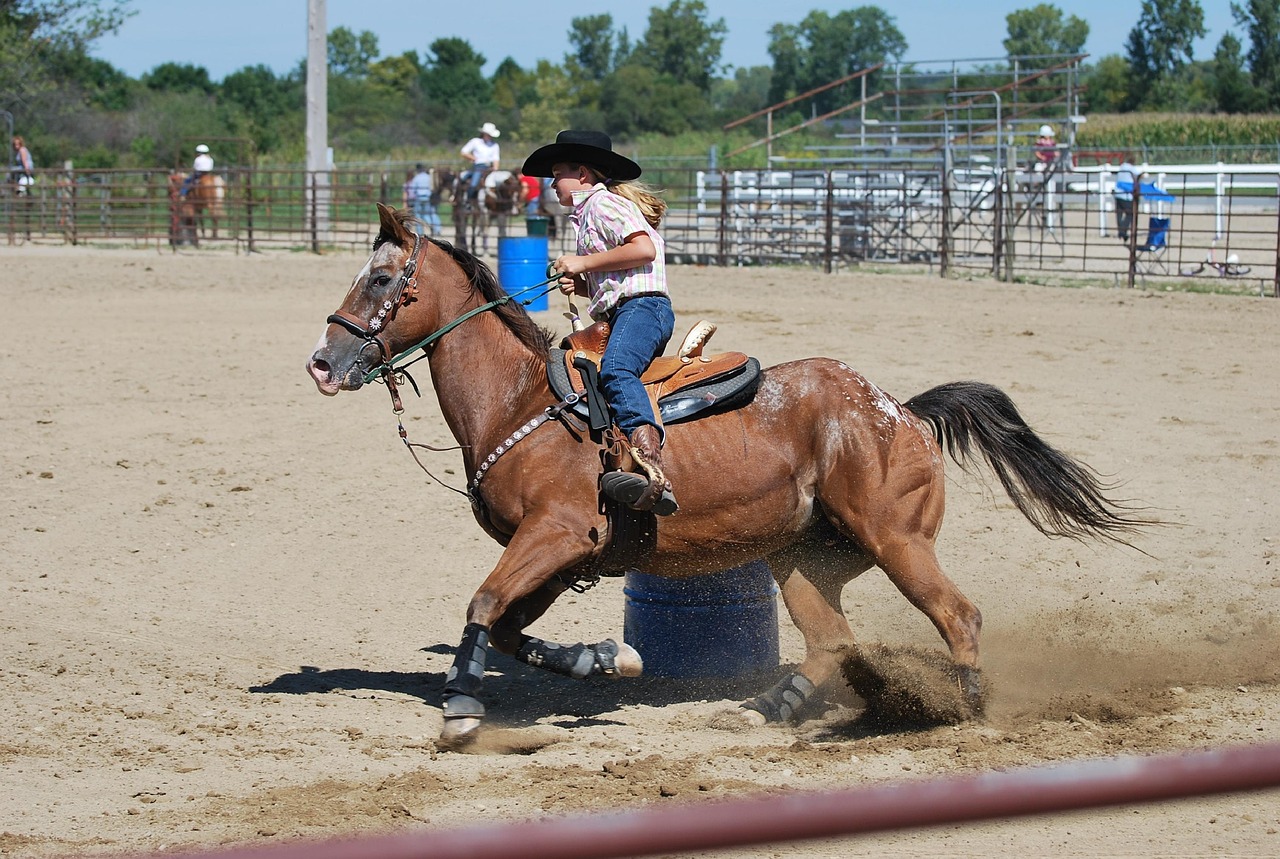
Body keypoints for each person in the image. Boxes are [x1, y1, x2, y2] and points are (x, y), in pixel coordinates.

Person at [522, 129, 678, 515]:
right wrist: (583, 281)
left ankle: (649, 464)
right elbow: (619, 269)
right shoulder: (587, 215)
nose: (552, 183)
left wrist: (584, 263)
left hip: (643, 309)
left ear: (584, 174)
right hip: (626, 310)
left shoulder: (602, 205)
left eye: (558, 174)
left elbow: (642, 247)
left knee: (616, 369)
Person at [459, 122, 501, 200]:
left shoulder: (495, 145)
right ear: (484, 134)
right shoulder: (475, 141)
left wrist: (496, 168)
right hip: (478, 167)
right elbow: (464, 152)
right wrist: (473, 158)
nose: (489, 137)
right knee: (474, 184)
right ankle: (468, 202)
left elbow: (496, 158)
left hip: (489, 167)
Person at [405, 163, 441, 234]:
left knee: (418, 215)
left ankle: (420, 232)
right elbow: (432, 187)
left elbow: (413, 189)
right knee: (427, 214)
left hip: (419, 198)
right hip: (427, 197)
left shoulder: (416, 178)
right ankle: (433, 227)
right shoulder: (428, 177)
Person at [1113, 159, 1142, 241]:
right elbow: (1138, 176)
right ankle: (1123, 230)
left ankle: (1120, 231)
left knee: (1119, 214)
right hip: (1127, 195)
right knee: (1130, 214)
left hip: (1118, 193)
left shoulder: (1122, 167)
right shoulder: (1131, 168)